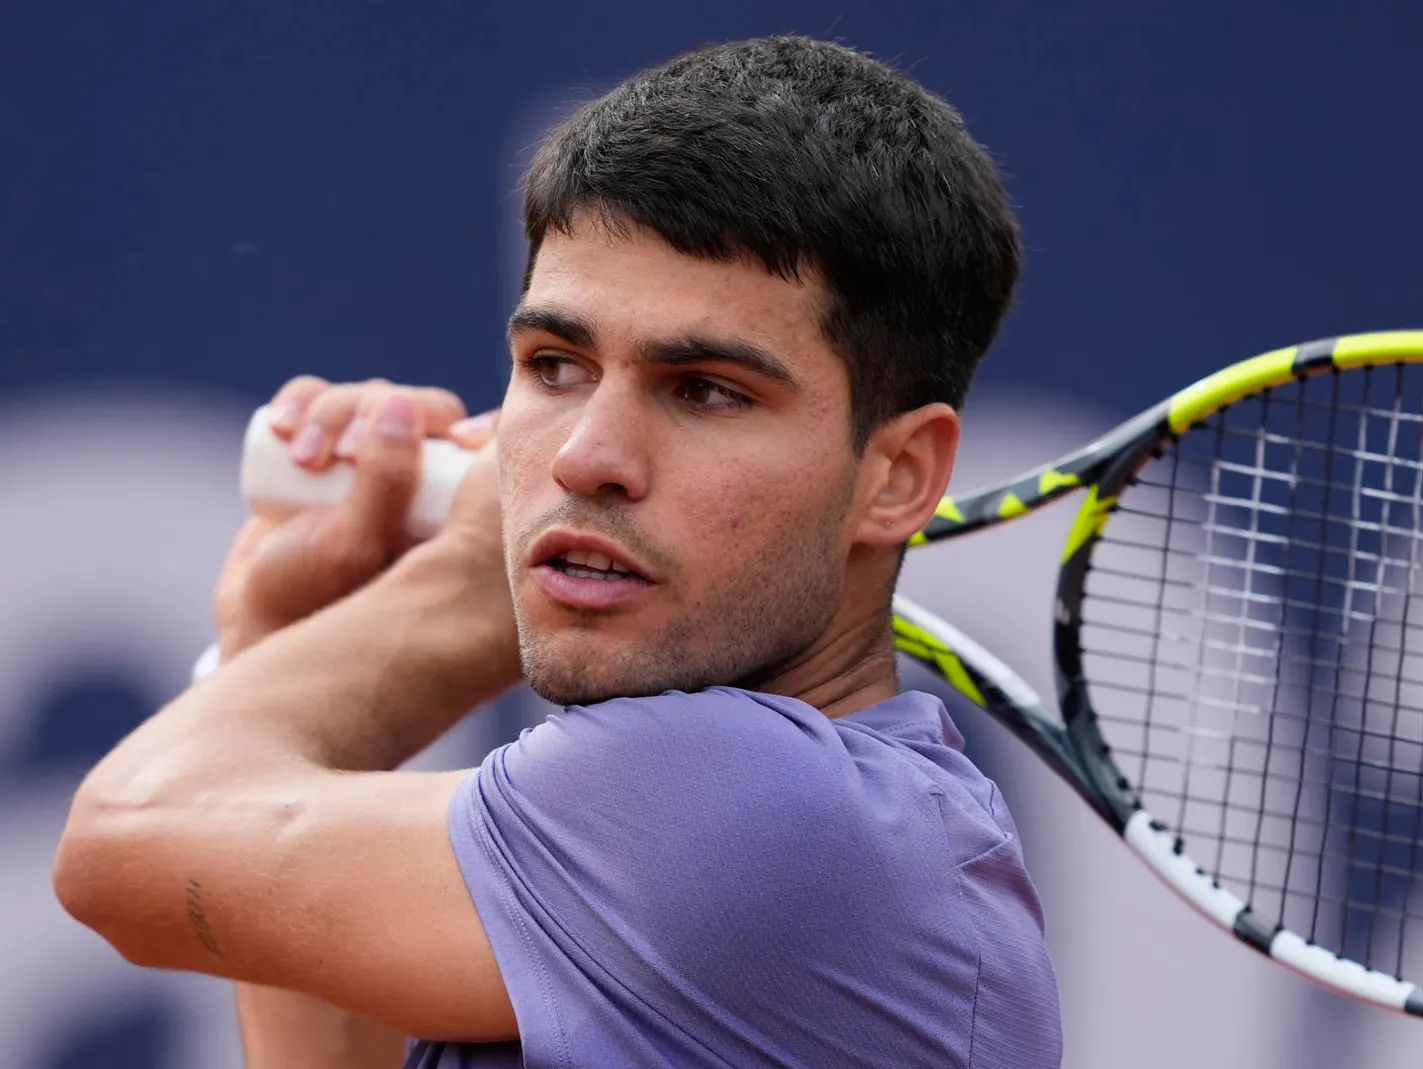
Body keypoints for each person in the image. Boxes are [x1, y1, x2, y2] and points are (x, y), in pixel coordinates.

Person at [52, 34, 1061, 1069]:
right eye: (555, 364)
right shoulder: (786, 842)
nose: (586, 458)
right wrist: (284, 645)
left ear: (897, 473)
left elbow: (121, 847)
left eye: (706, 389)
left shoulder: (765, 809)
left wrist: (458, 586)